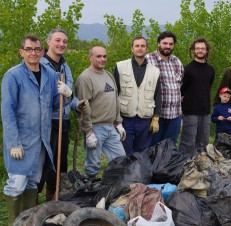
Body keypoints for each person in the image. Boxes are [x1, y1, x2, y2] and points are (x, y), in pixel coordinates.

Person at [1, 34, 74, 226]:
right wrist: (13, 143)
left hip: (42, 140)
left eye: (36, 49)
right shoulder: (13, 75)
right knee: (16, 183)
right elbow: (7, 112)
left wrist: (68, 95)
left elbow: (54, 105)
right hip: (21, 141)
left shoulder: (50, 76)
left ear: (42, 52)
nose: (33, 53)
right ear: (21, 52)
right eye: (28, 49)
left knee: (32, 183)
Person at [39, 28, 80, 201]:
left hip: (63, 121)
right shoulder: (40, 65)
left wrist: (74, 99)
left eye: (64, 41)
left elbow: (69, 97)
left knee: (60, 165)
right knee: (44, 164)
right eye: (57, 40)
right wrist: (63, 96)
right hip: (47, 122)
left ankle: (54, 200)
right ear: (48, 42)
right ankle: (33, 204)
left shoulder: (65, 66)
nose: (61, 44)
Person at [75, 45, 126, 179]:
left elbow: (115, 99)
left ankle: (114, 188)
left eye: (104, 56)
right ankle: (88, 190)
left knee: (121, 160)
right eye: (98, 56)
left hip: (111, 127)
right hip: (95, 128)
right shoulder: (85, 78)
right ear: (90, 57)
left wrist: (118, 122)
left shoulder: (108, 75)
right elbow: (82, 107)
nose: (102, 59)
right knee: (93, 165)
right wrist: (88, 132)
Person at [113, 37, 162, 156]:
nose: (140, 48)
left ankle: (139, 174)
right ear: (132, 48)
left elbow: (158, 95)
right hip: (125, 117)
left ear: (147, 49)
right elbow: (114, 94)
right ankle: (126, 174)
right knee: (125, 151)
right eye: (137, 46)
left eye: (142, 46)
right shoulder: (120, 67)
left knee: (142, 151)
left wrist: (156, 117)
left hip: (145, 119)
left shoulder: (155, 71)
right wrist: (115, 118)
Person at [146, 31, 184, 146]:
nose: (168, 46)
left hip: (175, 114)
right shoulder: (148, 60)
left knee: (169, 147)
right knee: (153, 147)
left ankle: (167, 165)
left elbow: (180, 84)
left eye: (171, 44)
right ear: (158, 43)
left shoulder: (176, 61)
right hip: (156, 116)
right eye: (165, 43)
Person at [179, 38, 215, 157]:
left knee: (203, 143)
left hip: (205, 112)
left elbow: (207, 86)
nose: (200, 51)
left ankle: (200, 170)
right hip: (190, 112)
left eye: (202, 48)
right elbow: (182, 90)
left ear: (207, 50)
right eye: (197, 48)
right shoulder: (188, 69)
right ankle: (183, 168)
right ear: (193, 50)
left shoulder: (211, 70)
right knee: (188, 144)